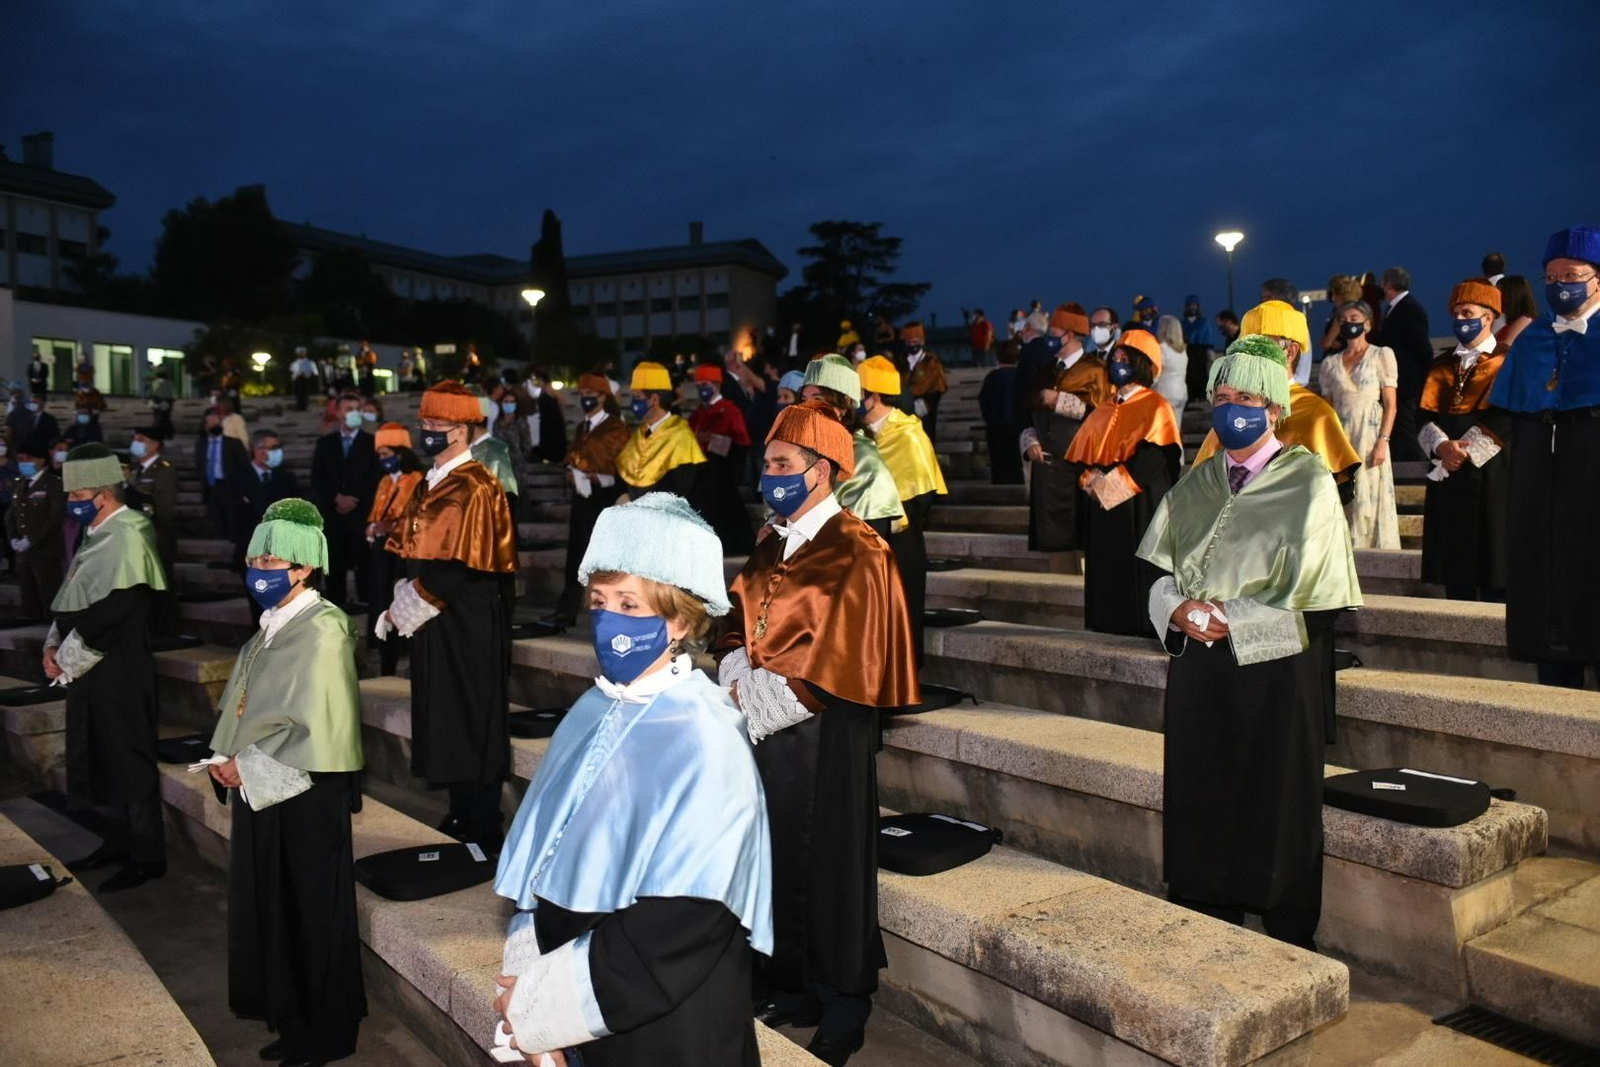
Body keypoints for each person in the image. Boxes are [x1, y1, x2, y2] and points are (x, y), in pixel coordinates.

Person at [492, 493, 772, 1066]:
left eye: (630, 603)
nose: (609, 619)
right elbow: (543, 857)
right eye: (600, 601)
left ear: (679, 621)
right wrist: (528, 969)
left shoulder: (706, 735)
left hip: (659, 1020)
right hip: (579, 996)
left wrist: (547, 1007)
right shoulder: (593, 709)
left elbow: (688, 917)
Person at [1137, 334, 1362, 951]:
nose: (1233, 408)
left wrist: (1229, 617)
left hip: (1276, 672)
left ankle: (1287, 932)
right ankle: (1206, 912)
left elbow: (1321, 598)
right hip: (1200, 671)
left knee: (1276, 800)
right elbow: (1155, 571)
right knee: (1200, 789)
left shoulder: (1308, 481)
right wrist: (1177, 608)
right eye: (1223, 397)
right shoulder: (1197, 481)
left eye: (1247, 398)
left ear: (1274, 408)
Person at [719, 401, 918, 1065]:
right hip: (768, 730)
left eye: (781, 464)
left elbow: (851, 656)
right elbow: (739, 611)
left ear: (823, 469)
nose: (768, 475)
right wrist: (734, 664)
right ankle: (794, 982)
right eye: (766, 463)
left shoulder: (860, 548)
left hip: (828, 731)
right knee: (775, 856)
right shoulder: (775, 539)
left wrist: (769, 695)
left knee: (831, 864)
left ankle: (843, 1001)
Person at [205, 498, 367, 1065]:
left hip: (308, 790)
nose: (258, 569)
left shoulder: (322, 629)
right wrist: (229, 756)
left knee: (312, 910)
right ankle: (294, 1018)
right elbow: (251, 704)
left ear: (302, 567)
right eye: (254, 557)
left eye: (271, 559)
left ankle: (328, 1032)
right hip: (268, 783)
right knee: (277, 905)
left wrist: (244, 763)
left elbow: (317, 723)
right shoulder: (274, 627)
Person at [379, 380, 519, 847]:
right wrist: (405, 594)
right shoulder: (431, 480)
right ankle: (460, 810)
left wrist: (411, 604)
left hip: (466, 619)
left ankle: (483, 819)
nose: (428, 432)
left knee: (469, 712)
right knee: (444, 713)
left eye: (436, 425)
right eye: (425, 423)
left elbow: (460, 563)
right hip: (436, 614)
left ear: (461, 430)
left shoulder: (477, 484)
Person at [46, 444, 170, 892]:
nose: (71, 501)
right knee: (98, 751)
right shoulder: (95, 533)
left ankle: (147, 854)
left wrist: (68, 656)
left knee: (127, 755)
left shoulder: (131, 531)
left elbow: (120, 607)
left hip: (118, 663)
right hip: (88, 659)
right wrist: (54, 642)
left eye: (77, 493)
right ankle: (116, 840)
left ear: (102, 493)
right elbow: (73, 593)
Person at [1489, 225, 1600, 689]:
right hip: (1540, 483)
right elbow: (1505, 415)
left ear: (1597, 279)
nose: (1560, 286)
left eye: (1571, 275)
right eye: (1551, 278)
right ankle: (1553, 668)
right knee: (1544, 572)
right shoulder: (1532, 339)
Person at [1063, 329, 1182, 636]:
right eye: (1114, 357)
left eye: (1124, 358)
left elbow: (1156, 459)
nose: (1117, 363)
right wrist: (1089, 480)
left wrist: (1109, 488)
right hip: (1102, 509)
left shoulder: (1156, 406)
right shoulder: (1102, 409)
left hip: (1136, 507)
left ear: (1141, 363)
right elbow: (1081, 458)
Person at [1192, 300, 1364, 504]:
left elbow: (1328, 498)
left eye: (1261, 346)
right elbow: (1202, 482)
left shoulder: (1317, 414)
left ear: (1290, 352)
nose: (1249, 356)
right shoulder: (1232, 407)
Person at [1418, 279, 1510, 602]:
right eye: (1456, 313)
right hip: (1448, 475)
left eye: (1467, 312)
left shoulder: (1508, 360)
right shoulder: (1441, 365)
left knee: (1493, 565)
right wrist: (1443, 447)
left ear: (1488, 317)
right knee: (1454, 572)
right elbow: (1423, 417)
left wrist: (1464, 453)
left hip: (1491, 474)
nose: (1460, 320)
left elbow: (1507, 416)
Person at [860, 358, 947, 664]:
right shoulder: (857, 435)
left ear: (872, 396)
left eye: (859, 392)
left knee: (902, 612)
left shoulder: (909, 433)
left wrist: (887, 515)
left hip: (900, 540)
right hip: (863, 542)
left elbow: (922, 496)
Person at [1021, 304, 1113, 571]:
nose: (1049, 337)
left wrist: (1060, 401)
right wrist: (1030, 441)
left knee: (1083, 536)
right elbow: (1029, 412)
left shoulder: (1096, 369)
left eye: (1054, 331)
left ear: (1070, 335)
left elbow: (1102, 413)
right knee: (1056, 543)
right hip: (1048, 467)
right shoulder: (1046, 368)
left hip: (1080, 464)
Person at [1318, 301, 1400, 549]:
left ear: (1367, 323)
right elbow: (1327, 409)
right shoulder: (1330, 364)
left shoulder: (1381, 355)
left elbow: (1391, 405)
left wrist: (1383, 441)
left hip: (1370, 432)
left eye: (1353, 317)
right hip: (1342, 434)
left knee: (1369, 490)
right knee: (1345, 492)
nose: (1347, 323)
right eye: (1342, 320)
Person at [800, 356, 906, 540]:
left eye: (817, 398)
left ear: (844, 404)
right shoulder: (800, 448)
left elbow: (867, 540)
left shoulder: (864, 458)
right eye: (804, 399)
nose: (807, 407)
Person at [554, 374, 631, 625]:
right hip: (581, 498)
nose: (586, 399)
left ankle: (611, 609)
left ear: (603, 398)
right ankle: (567, 608)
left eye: (591, 394)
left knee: (605, 557)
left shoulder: (617, 428)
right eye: (583, 394)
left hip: (605, 500)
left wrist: (598, 477)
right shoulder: (581, 427)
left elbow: (620, 467)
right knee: (575, 554)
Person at [365, 423, 425, 675]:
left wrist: (387, 527)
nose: (383, 460)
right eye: (380, 455)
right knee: (380, 600)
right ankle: (385, 658)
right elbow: (375, 513)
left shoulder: (417, 480)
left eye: (386, 455)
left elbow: (414, 517)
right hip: (381, 552)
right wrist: (372, 527)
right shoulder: (384, 481)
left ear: (401, 454)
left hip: (403, 553)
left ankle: (407, 655)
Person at [310, 393, 379, 607]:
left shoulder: (373, 442)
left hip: (361, 514)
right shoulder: (325, 443)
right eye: (349, 409)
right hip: (333, 516)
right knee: (334, 566)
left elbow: (377, 477)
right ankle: (335, 606)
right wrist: (336, 497)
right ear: (338, 413)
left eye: (357, 408)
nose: (354, 413)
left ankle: (367, 605)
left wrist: (355, 499)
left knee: (365, 566)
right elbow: (317, 477)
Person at [616, 361, 707, 510]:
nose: (634, 402)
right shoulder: (639, 434)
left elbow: (681, 490)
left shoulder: (681, 436)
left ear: (654, 399)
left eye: (638, 396)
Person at [688, 364, 755, 554]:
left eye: (705, 384)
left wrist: (712, 441)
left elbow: (741, 446)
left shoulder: (729, 410)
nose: (702, 389)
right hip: (699, 475)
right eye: (699, 385)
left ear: (717, 384)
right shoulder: (696, 414)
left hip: (721, 476)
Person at [1371, 266, 1432, 463]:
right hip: (1400, 383)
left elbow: (1422, 349)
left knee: (1408, 430)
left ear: (1388, 284)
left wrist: (1420, 380)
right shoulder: (1399, 308)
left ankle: (1416, 470)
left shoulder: (1408, 309)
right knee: (1400, 430)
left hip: (1407, 385)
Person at [233, 429, 300, 589]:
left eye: (278, 447)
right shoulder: (237, 477)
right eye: (273, 447)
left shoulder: (287, 479)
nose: (278, 452)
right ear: (257, 450)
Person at [6, 445, 65, 621]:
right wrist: (14, 539)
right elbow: (11, 515)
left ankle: (51, 626)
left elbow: (55, 518)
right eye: (20, 460)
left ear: (40, 460)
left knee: (48, 589)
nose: (23, 463)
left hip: (46, 547)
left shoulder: (53, 483)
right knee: (27, 589)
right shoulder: (19, 483)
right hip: (23, 549)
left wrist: (31, 539)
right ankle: (33, 620)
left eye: (28, 459)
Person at [125, 426, 179, 581]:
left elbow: (164, 507)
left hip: (156, 537)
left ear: (155, 445)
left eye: (141, 440)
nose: (136, 443)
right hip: (135, 538)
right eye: (135, 439)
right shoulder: (135, 470)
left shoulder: (164, 470)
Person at [196, 409, 250, 541]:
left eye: (217, 422)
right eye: (211, 422)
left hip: (229, 485)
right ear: (205, 426)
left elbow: (245, 466)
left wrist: (245, 490)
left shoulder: (233, 443)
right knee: (215, 518)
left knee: (232, 517)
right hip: (211, 486)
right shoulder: (201, 444)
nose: (215, 425)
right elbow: (200, 464)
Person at [977, 340, 1024, 484]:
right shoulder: (1021, 376)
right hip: (1017, 425)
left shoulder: (992, 377)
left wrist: (989, 418)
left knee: (998, 462)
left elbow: (983, 399)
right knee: (1016, 461)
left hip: (995, 426)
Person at [488, 386, 537, 516]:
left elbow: (527, 446)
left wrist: (519, 459)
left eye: (512, 402)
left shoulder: (521, 422)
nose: (509, 405)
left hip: (516, 469)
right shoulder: (497, 423)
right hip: (500, 468)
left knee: (517, 503)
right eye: (506, 401)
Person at [899, 322, 947, 442]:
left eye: (915, 342)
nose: (912, 345)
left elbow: (939, 385)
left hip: (925, 409)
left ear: (922, 341)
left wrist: (927, 403)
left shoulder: (931, 361)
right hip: (904, 410)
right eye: (909, 343)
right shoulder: (900, 361)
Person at [521, 365, 570, 464]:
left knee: (553, 443)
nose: (533, 380)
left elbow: (563, 401)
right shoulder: (541, 390)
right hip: (546, 421)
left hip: (553, 421)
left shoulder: (549, 388)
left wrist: (557, 412)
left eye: (534, 378)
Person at [1181, 295, 1221, 402]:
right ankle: (1191, 395)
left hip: (1201, 351)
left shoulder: (1204, 322)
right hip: (1187, 351)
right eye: (1190, 306)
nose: (1192, 308)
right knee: (1189, 373)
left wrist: (1210, 350)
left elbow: (1207, 336)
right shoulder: (1183, 323)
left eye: (1194, 305)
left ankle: (1202, 395)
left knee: (1201, 372)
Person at [1319, 276, 1365, 358]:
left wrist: (1328, 342)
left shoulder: (1342, 316)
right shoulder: (1361, 313)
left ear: (1340, 296)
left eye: (1334, 294)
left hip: (1338, 357)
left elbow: (1326, 344)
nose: (1333, 298)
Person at [1153, 315, 1190, 415]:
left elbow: (1155, 376)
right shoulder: (1182, 350)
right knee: (1176, 429)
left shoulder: (1161, 349)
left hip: (1164, 394)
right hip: (1181, 393)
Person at [1495, 275, 1538, 347]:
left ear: (1510, 297)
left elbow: (1503, 351)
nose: (1495, 299)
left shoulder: (1525, 321)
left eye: (1498, 294)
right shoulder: (1510, 325)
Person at [289, 346, 319, 411]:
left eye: (303, 353)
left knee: (306, 393)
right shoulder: (295, 363)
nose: (302, 354)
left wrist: (309, 375)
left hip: (306, 379)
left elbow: (315, 372)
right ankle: (299, 406)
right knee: (298, 393)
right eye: (300, 353)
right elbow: (292, 372)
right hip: (298, 380)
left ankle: (305, 407)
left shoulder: (310, 362)